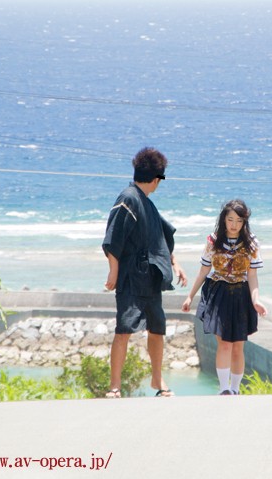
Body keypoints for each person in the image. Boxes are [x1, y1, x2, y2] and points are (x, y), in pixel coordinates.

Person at [103, 147, 188, 398]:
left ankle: (157, 380)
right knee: (124, 329)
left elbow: (159, 237)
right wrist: (113, 271)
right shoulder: (128, 198)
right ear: (156, 179)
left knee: (157, 328)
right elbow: (113, 237)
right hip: (131, 276)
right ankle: (115, 386)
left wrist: (175, 262)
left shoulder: (147, 203)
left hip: (150, 276)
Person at [181, 199, 267, 395]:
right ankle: (224, 389)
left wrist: (256, 300)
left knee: (238, 345)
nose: (234, 225)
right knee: (225, 344)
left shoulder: (251, 243)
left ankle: (235, 388)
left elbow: (252, 276)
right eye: (230, 220)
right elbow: (204, 271)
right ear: (223, 219)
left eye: (239, 221)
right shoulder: (213, 240)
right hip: (218, 293)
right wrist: (190, 296)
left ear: (244, 222)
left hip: (241, 294)